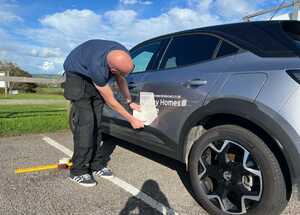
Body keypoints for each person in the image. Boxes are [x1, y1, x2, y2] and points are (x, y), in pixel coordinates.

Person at [63, 39, 144, 187]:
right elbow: (111, 101)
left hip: (93, 73)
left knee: (98, 124)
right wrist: (131, 119)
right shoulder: (97, 67)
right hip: (77, 76)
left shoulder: (122, 54)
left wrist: (129, 101)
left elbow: (121, 79)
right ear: (112, 70)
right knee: (87, 124)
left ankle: (95, 164)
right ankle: (78, 170)